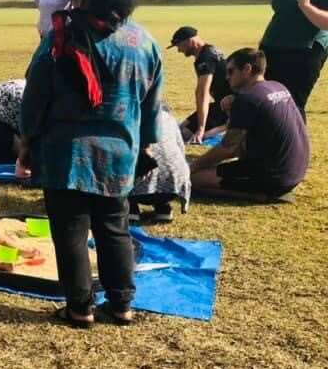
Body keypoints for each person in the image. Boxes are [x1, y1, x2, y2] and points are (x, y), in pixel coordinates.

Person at [18, 0, 162, 328]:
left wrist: (27, 140)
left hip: (66, 155)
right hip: (119, 155)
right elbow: (151, 106)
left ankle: (80, 308)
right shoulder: (144, 43)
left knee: (71, 231)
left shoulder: (60, 40)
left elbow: (35, 96)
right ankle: (121, 305)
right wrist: (145, 146)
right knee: (115, 228)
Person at [190, 48, 309, 199]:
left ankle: (258, 195)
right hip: (293, 171)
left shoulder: (248, 99)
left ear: (247, 69)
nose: (227, 77)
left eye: (231, 71)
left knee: (192, 180)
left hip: (274, 178)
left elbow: (228, 149)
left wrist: (193, 166)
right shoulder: (278, 86)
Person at [259, 0, 328, 118]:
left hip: (302, 53)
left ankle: (296, 146)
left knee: (291, 106)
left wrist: (306, 6)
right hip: (272, 47)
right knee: (266, 101)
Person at [167, 26, 232, 143]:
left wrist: (200, 129)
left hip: (229, 107)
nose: (179, 50)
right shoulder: (210, 50)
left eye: (179, 45)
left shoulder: (204, 59)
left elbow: (203, 93)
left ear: (190, 41)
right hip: (221, 104)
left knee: (185, 134)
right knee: (180, 128)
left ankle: (229, 126)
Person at [128, 104, 191, 223]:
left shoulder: (130, 114)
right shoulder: (170, 119)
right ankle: (163, 208)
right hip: (174, 187)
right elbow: (180, 150)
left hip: (139, 185)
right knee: (164, 165)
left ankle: (130, 208)